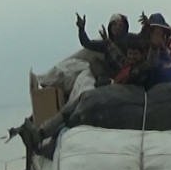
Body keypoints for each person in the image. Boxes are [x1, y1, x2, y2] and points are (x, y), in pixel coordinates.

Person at [9, 36, 152, 150]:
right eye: (130, 54)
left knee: (75, 113)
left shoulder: (138, 70)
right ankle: (42, 134)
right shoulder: (127, 66)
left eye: (135, 54)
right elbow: (114, 56)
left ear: (142, 55)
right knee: (72, 109)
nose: (132, 57)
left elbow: (143, 70)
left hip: (114, 101)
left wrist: (156, 46)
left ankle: (42, 136)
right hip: (109, 95)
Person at [76, 13, 137, 78]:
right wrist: (81, 29)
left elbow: (142, 38)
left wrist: (147, 25)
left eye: (120, 25)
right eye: (115, 25)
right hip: (111, 75)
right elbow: (87, 43)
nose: (117, 27)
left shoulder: (130, 39)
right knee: (94, 61)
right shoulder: (105, 43)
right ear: (110, 27)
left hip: (129, 72)